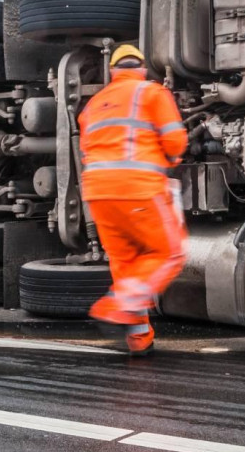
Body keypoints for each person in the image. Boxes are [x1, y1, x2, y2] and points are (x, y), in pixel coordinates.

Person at [79, 44, 188, 354]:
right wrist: (174, 158)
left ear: (113, 72)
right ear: (141, 68)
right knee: (169, 252)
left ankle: (139, 340)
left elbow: (87, 149)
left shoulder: (94, 104)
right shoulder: (151, 93)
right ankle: (118, 305)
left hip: (98, 194)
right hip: (138, 188)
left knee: (126, 264)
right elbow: (174, 140)